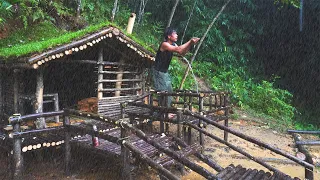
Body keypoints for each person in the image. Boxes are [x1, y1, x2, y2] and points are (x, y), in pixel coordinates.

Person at [152, 27, 200, 112]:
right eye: (175, 34)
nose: (177, 35)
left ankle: (166, 111)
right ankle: (163, 112)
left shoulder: (173, 45)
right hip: (158, 72)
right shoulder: (165, 44)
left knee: (169, 91)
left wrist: (190, 44)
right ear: (169, 36)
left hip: (164, 72)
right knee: (163, 92)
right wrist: (190, 41)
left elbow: (182, 53)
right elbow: (178, 49)